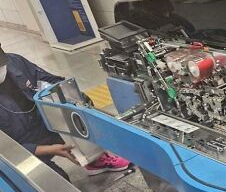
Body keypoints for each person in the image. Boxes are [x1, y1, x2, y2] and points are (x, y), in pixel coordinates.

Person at [0, 45, 130, 180]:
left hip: (41, 122)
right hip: (17, 148)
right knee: (57, 184)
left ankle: (92, 159)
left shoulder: (15, 62)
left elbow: (51, 82)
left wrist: (74, 99)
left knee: (77, 110)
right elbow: (5, 150)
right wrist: (48, 150)